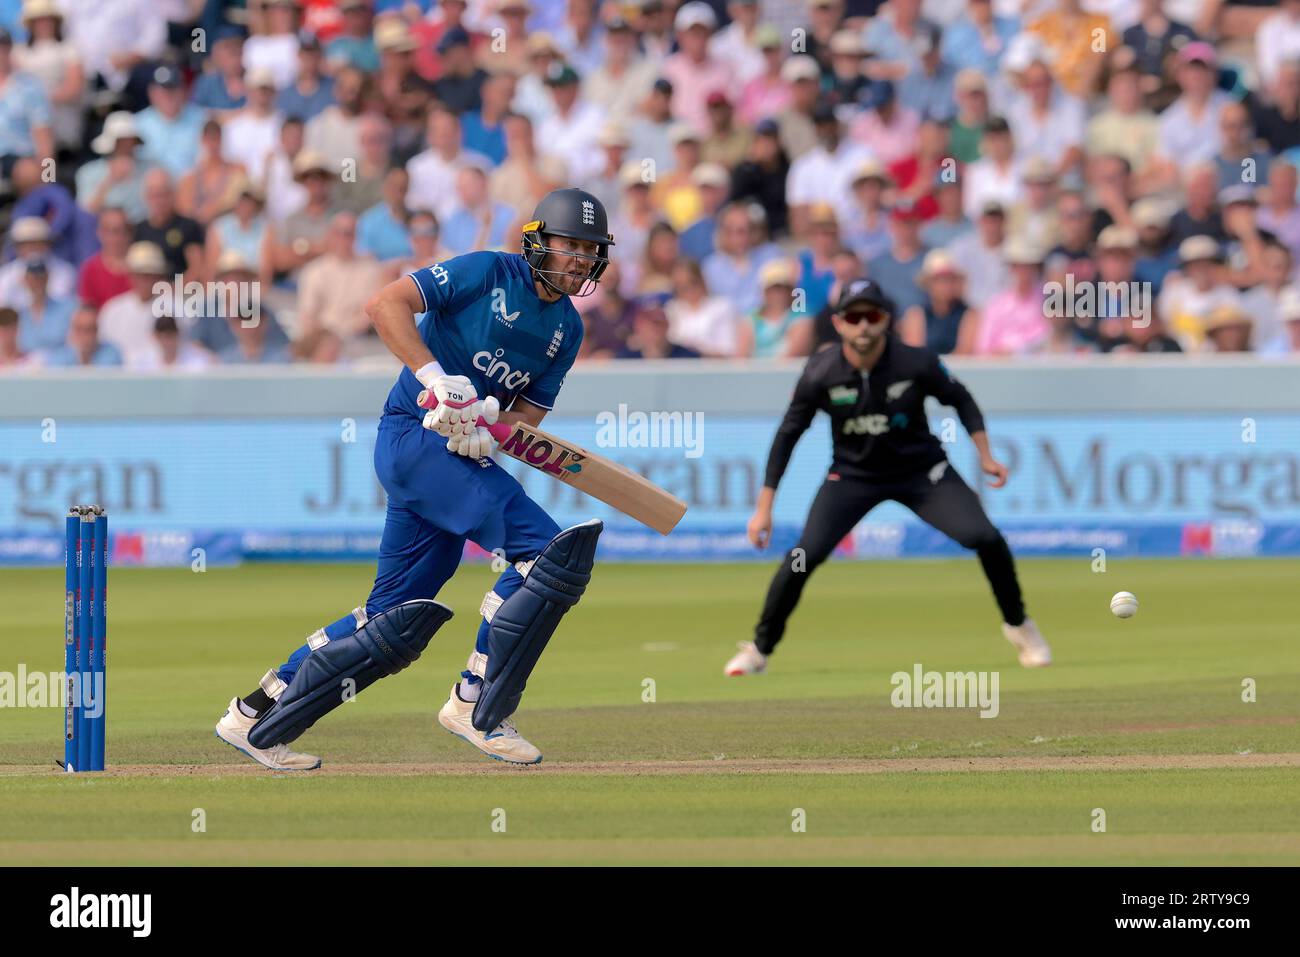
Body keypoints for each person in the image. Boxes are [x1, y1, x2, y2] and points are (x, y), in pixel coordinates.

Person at [213, 187, 612, 770]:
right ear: (537, 241)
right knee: (551, 556)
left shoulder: (567, 332)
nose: (578, 258)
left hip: (455, 456)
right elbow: (383, 305)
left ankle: (254, 716)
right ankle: (476, 704)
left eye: (589, 249)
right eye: (568, 244)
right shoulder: (485, 271)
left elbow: (528, 423)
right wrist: (435, 376)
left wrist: (490, 425)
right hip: (413, 434)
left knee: (395, 618)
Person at [725, 278, 1051, 678]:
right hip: (852, 477)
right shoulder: (821, 371)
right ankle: (759, 649)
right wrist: (763, 509)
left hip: (922, 473)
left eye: (872, 316)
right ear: (840, 323)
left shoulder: (916, 361)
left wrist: (985, 455)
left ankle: (1020, 627)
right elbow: (788, 435)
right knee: (801, 558)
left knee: (986, 538)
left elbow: (960, 398)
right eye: (854, 317)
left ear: (886, 321)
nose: (863, 326)